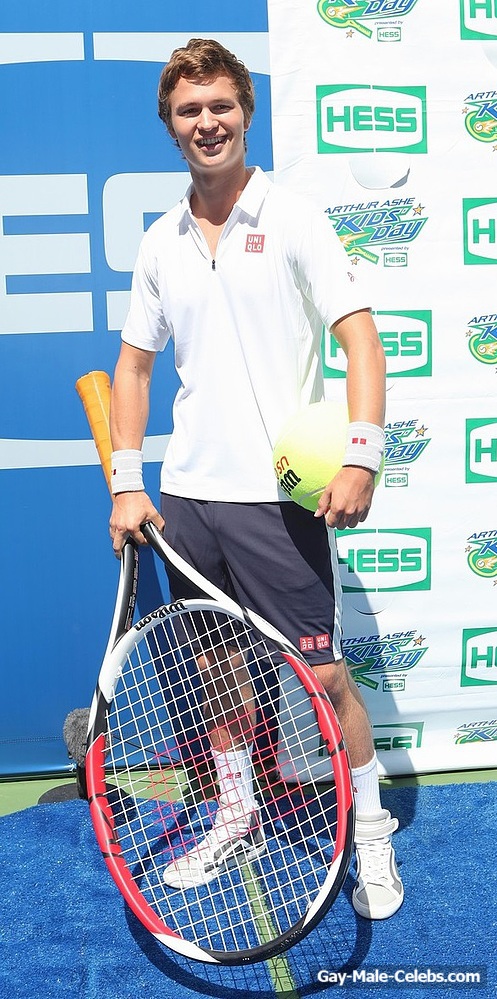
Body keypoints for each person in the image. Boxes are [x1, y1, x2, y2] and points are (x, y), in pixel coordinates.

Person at [108, 37, 403, 919]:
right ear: (170, 127)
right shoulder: (159, 240)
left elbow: (360, 340)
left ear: (245, 112)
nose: (207, 122)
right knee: (217, 675)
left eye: (220, 106)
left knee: (325, 679)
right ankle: (235, 813)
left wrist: (361, 454)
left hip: (278, 499)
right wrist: (127, 480)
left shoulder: (295, 217)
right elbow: (132, 369)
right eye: (189, 110)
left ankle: (370, 831)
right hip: (189, 499)